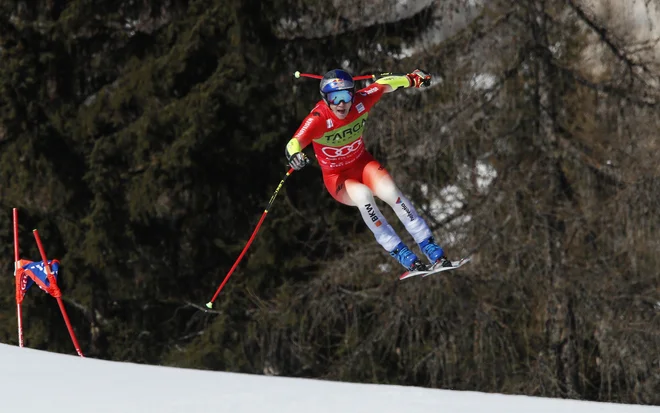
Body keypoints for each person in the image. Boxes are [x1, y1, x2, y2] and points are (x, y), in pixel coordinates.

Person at [284, 68, 451, 272]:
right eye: (334, 98)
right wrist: (295, 155)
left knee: (391, 193)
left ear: (353, 94)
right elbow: (294, 142)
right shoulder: (318, 119)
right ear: (325, 99)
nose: (341, 104)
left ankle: (428, 244)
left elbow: (384, 85)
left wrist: (411, 79)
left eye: (345, 96)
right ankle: (398, 250)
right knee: (364, 196)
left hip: (363, 164)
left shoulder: (360, 102)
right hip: (338, 179)